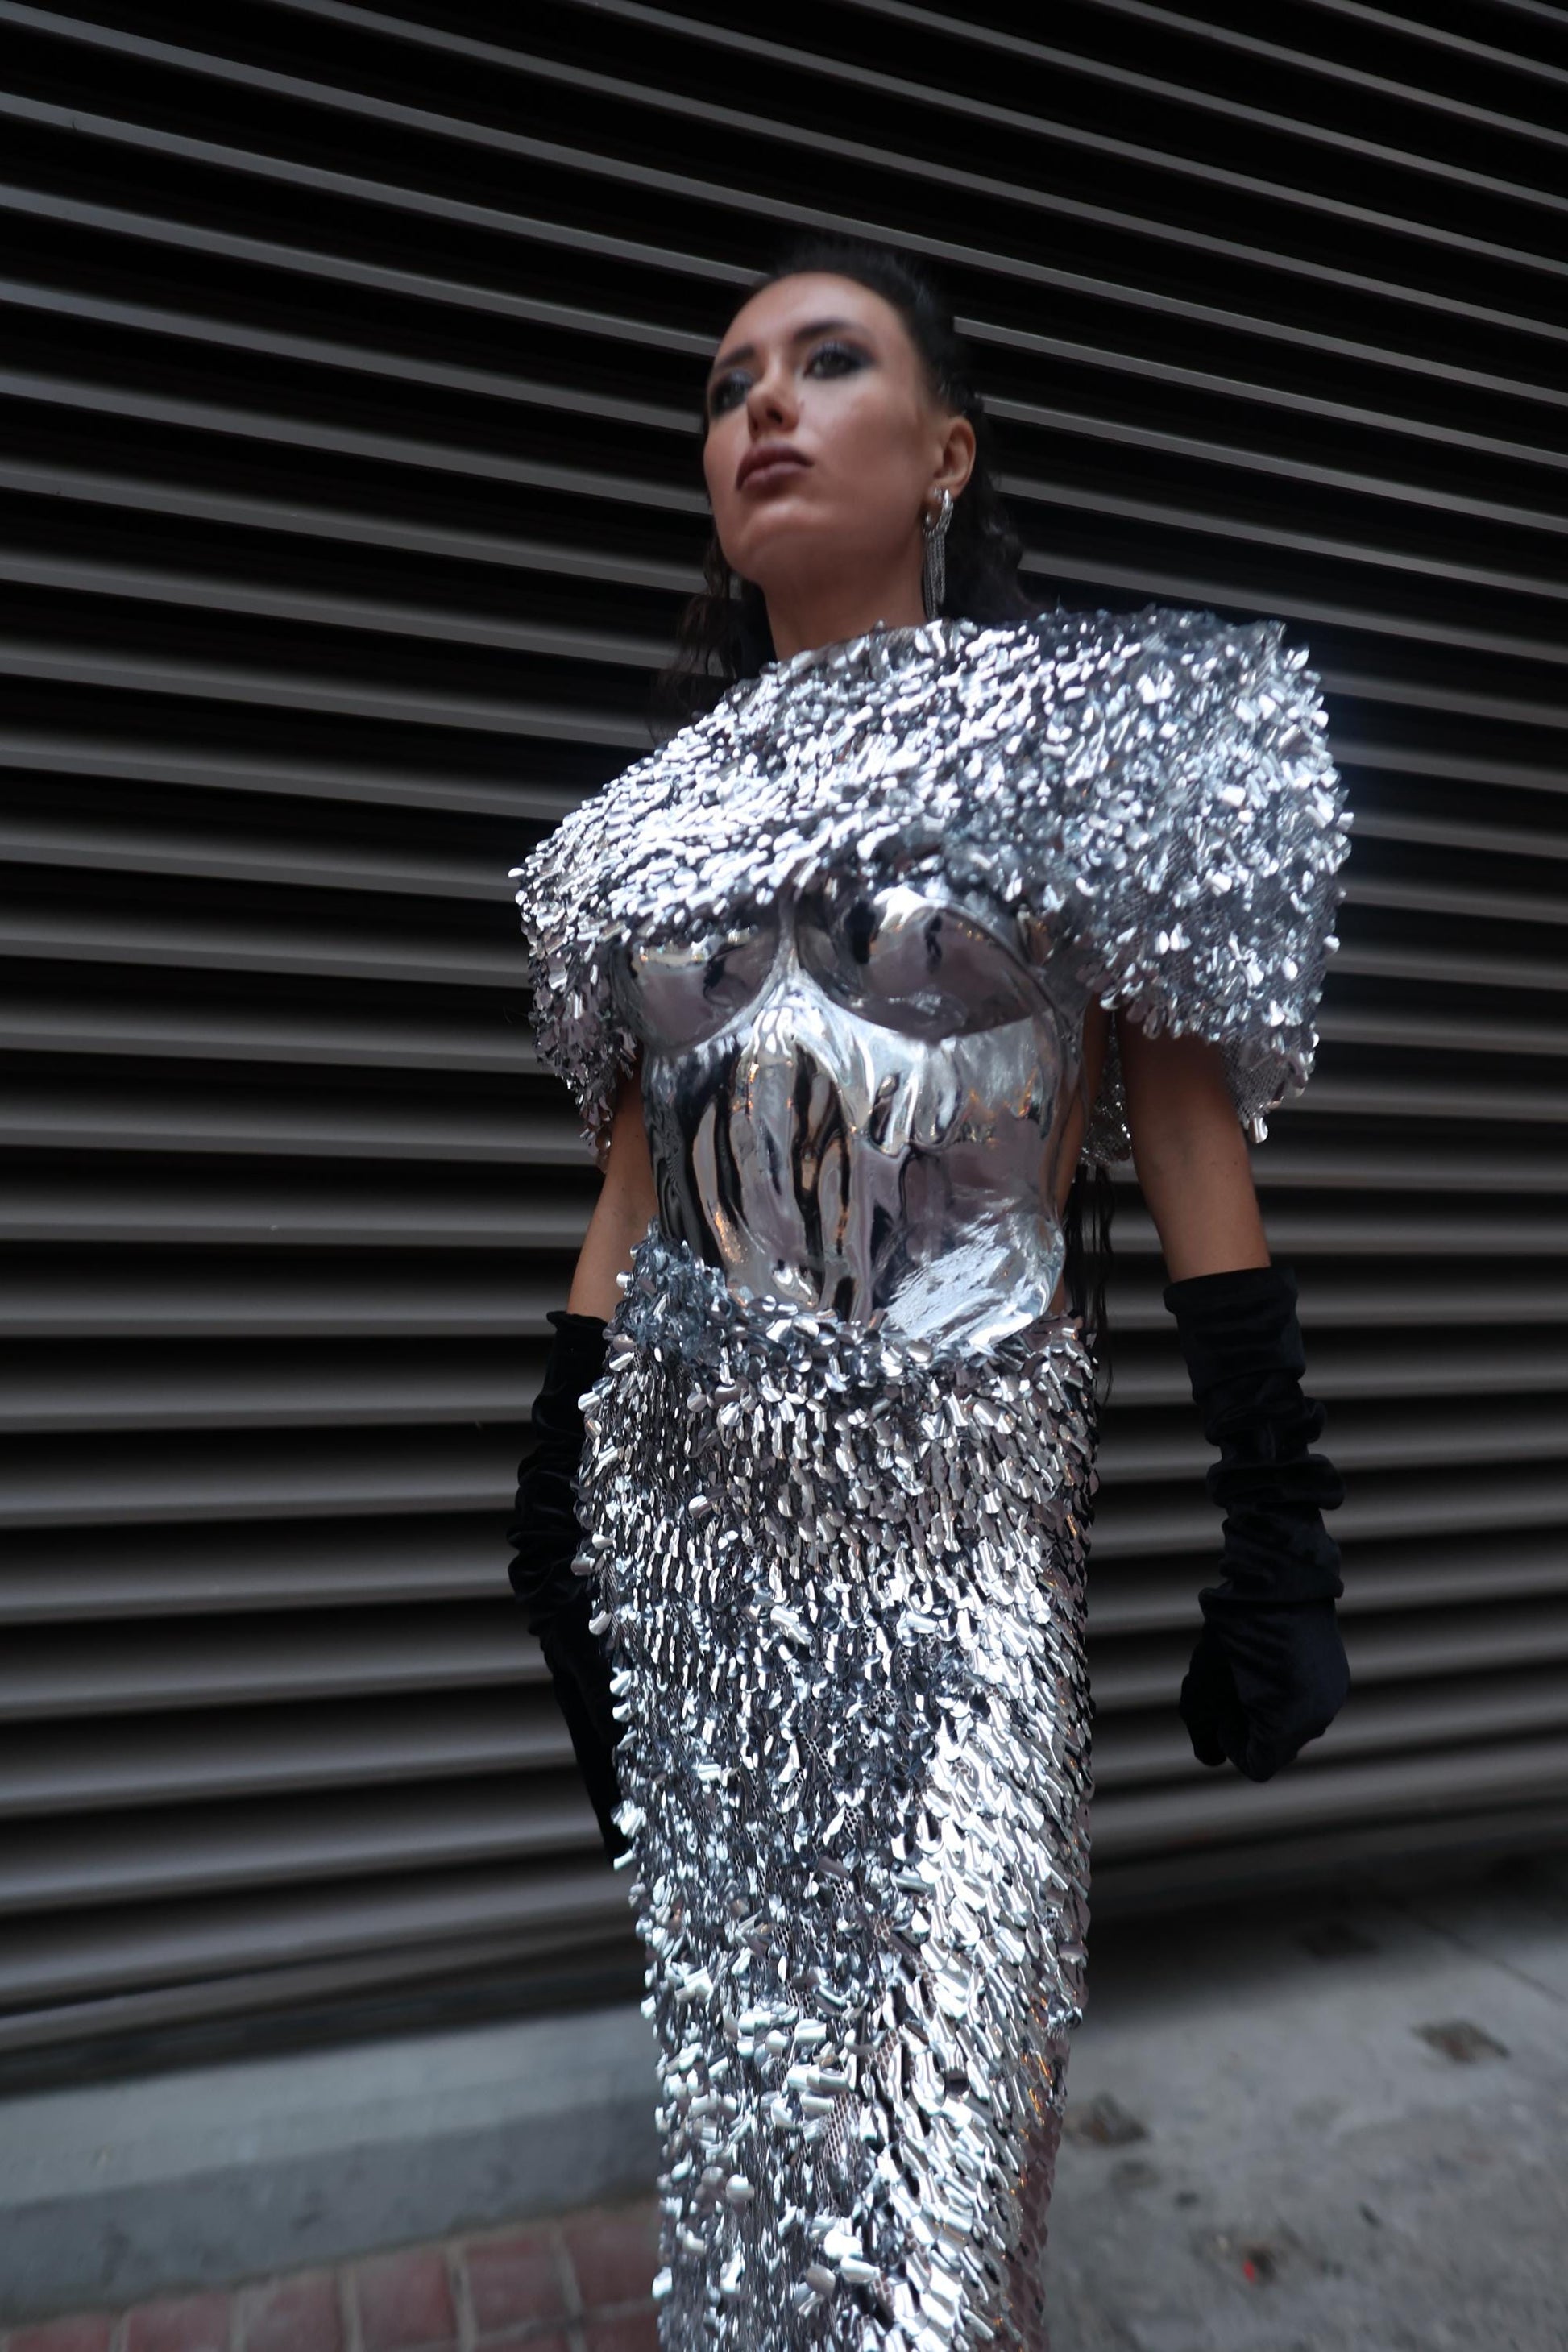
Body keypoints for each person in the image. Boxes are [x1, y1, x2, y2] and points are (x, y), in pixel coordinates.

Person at [506, 235, 1350, 2352]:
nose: (763, 410)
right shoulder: (633, 835)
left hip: (957, 1562)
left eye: (825, 364)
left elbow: (1182, 1137)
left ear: (947, 449)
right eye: (728, 386)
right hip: (690, 1554)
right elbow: (637, 1182)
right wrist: (547, 1481)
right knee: (755, 2170)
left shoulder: (1102, 746)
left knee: (937, 2205)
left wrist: (1275, 1518)